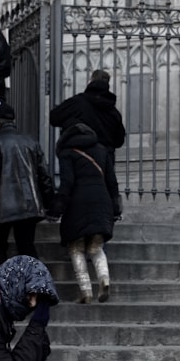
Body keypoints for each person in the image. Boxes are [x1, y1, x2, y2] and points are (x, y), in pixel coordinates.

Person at [0, 103, 55, 266]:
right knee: (27, 247)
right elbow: (44, 175)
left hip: (1, 205)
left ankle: (3, 288)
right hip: (28, 205)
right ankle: (35, 286)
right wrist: (49, 202)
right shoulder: (30, 141)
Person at [49, 122, 119, 303]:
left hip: (77, 203)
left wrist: (57, 208)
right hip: (101, 201)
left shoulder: (67, 153)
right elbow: (112, 182)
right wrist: (116, 207)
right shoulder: (101, 150)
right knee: (96, 246)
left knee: (76, 248)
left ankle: (86, 291)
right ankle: (104, 279)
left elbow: (67, 183)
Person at [49, 69, 125, 162]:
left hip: (81, 158)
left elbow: (54, 117)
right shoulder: (113, 112)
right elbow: (119, 141)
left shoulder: (78, 103)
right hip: (105, 161)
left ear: (91, 81)